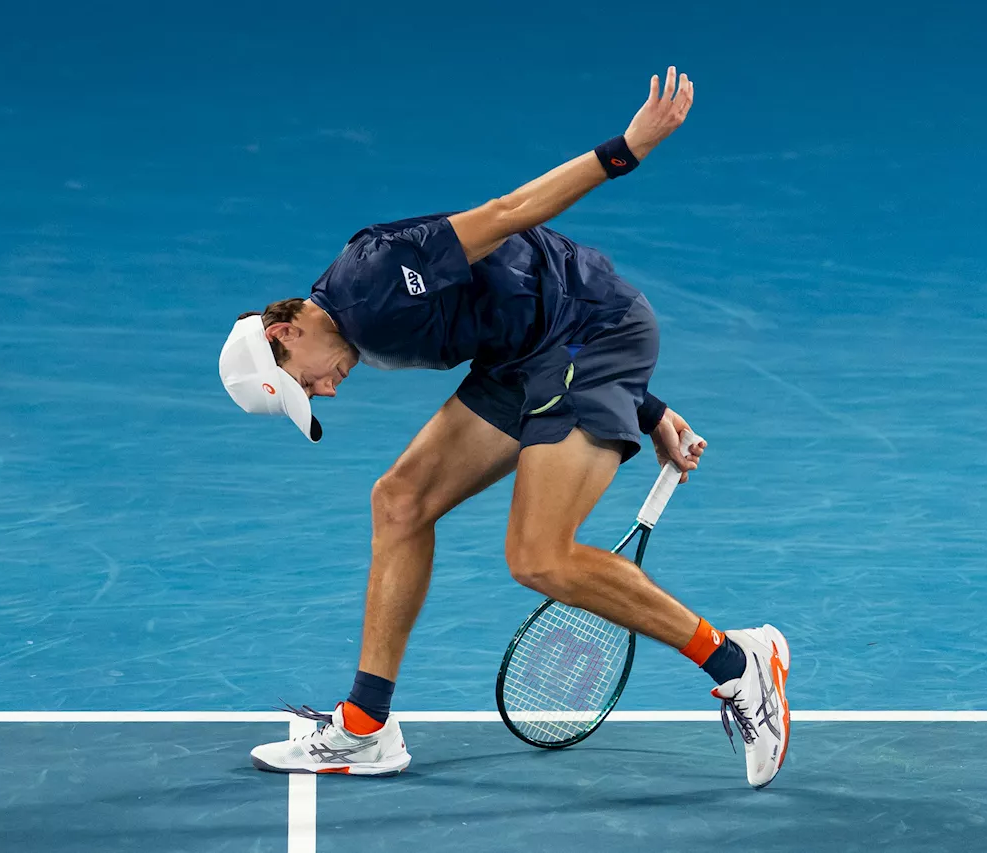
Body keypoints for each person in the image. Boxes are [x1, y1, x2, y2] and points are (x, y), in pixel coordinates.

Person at [218, 68, 791, 789]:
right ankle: (366, 727)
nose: (326, 389)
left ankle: (741, 662)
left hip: (589, 332)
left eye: (306, 381)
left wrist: (625, 149)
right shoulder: (360, 334)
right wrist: (645, 407)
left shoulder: (374, 277)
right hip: (533, 355)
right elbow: (511, 307)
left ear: (285, 329)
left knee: (539, 556)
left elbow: (509, 212)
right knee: (399, 500)